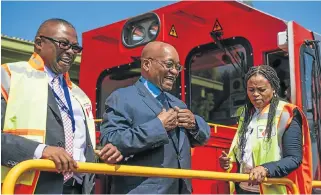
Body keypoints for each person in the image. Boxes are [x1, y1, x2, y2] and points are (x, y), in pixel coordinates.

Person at [1, 18, 123, 194]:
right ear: (39, 43)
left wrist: (102, 153)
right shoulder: (10, 75)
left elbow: (81, 144)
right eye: (63, 44)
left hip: (78, 188)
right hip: (30, 188)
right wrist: (41, 151)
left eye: (75, 48)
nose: (70, 52)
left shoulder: (79, 95)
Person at [100, 41, 211, 194]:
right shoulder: (122, 98)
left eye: (177, 67)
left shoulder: (177, 103)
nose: (174, 72)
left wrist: (195, 124)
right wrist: (158, 126)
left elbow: (203, 137)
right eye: (169, 64)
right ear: (146, 64)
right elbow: (110, 140)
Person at [218, 65, 312, 194]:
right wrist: (228, 163)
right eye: (251, 90)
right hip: (243, 188)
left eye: (261, 89)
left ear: (273, 89)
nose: (255, 94)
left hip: (274, 189)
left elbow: (294, 158)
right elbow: (245, 154)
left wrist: (265, 169)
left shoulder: (288, 113)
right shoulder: (244, 114)